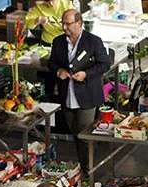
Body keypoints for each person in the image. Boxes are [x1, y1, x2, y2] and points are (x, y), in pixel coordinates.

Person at [49, 9, 110, 174]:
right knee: (75, 132)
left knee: (83, 134)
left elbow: (105, 64)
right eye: (62, 23)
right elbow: (52, 63)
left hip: (87, 97)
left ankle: (88, 170)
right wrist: (58, 71)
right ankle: (85, 164)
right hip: (67, 96)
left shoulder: (93, 42)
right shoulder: (58, 42)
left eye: (68, 24)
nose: (64, 27)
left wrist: (86, 74)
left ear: (79, 23)